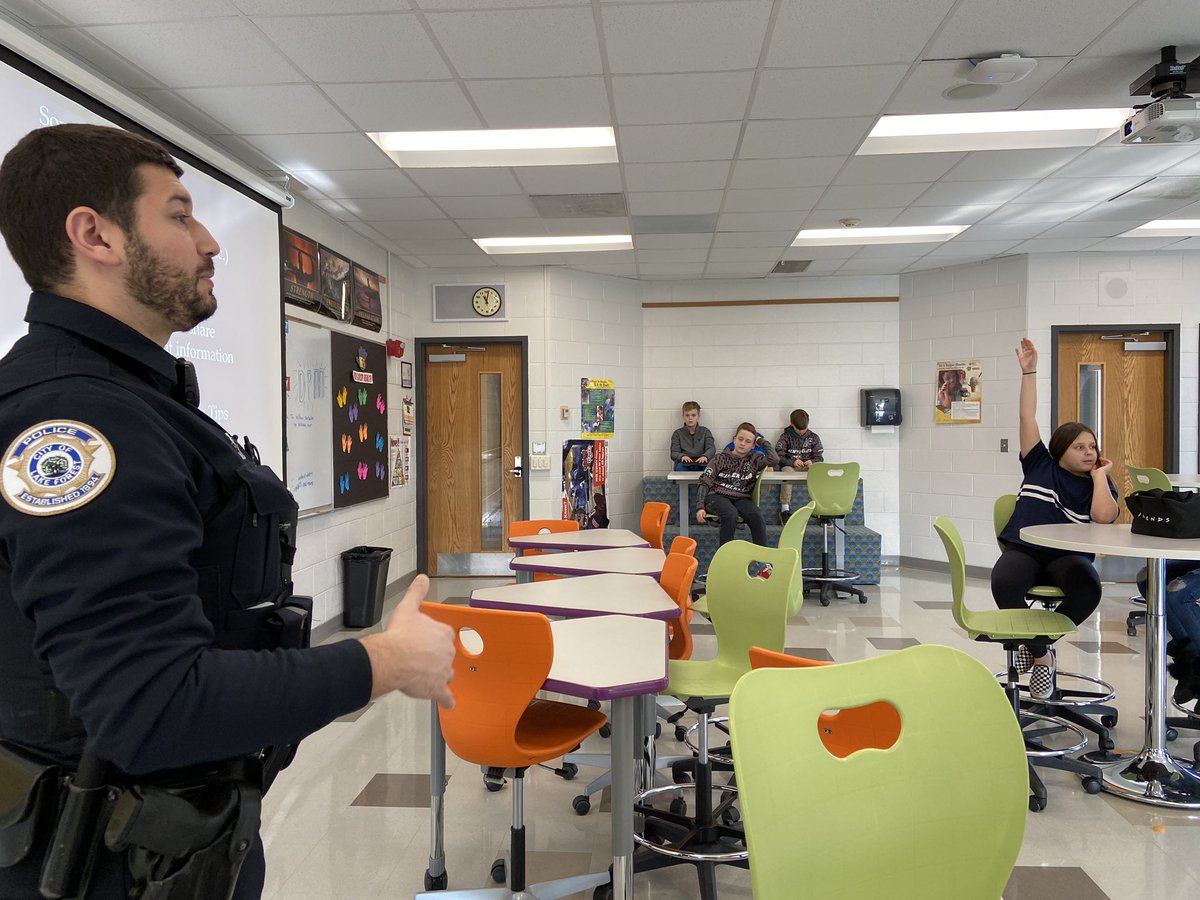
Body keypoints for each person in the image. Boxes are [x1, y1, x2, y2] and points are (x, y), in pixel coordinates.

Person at [0, 124, 456, 900]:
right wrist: (386, 662)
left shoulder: (138, 399)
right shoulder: (82, 421)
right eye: (178, 215)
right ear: (95, 235)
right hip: (107, 863)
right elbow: (152, 707)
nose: (210, 240)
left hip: (171, 844)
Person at [992, 338, 1119, 701]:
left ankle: (1034, 644)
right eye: (1080, 447)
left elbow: (1103, 518)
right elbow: (1026, 417)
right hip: (1026, 550)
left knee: (1088, 589)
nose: (1088, 452)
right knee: (1004, 582)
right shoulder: (1039, 464)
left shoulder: (1100, 482)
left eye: (1092, 446)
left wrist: (1098, 476)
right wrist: (1029, 371)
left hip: (1068, 558)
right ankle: (1042, 655)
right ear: (1060, 450)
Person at [696, 422, 778, 547]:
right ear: (734, 439)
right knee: (730, 514)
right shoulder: (719, 458)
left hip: (741, 498)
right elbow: (704, 482)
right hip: (717, 496)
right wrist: (700, 506)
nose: (743, 443)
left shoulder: (755, 459)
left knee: (757, 515)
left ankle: (762, 561)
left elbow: (774, 459)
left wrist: (761, 441)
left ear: (753, 445)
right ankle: (726, 559)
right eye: (740, 439)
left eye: (748, 441)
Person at [774, 408, 824, 524]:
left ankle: (822, 509)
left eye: (804, 429)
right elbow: (778, 458)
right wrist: (792, 462)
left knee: (820, 472)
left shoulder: (814, 437)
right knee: (787, 471)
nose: (801, 432)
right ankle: (785, 509)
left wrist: (813, 462)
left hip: (808, 467)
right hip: (791, 467)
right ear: (792, 424)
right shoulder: (785, 437)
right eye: (798, 429)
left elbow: (820, 457)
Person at [670, 400, 715, 472]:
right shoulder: (677, 433)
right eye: (687, 415)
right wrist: (682, 456)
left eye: (693, 415)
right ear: (683, 416)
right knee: (679, 468)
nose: (690, 418)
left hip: (703, 464)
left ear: (698, 416)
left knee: (710, 470)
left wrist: (705, 456)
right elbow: (674, 453)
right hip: (684, 464)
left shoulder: (706, 432)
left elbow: (711, 449)